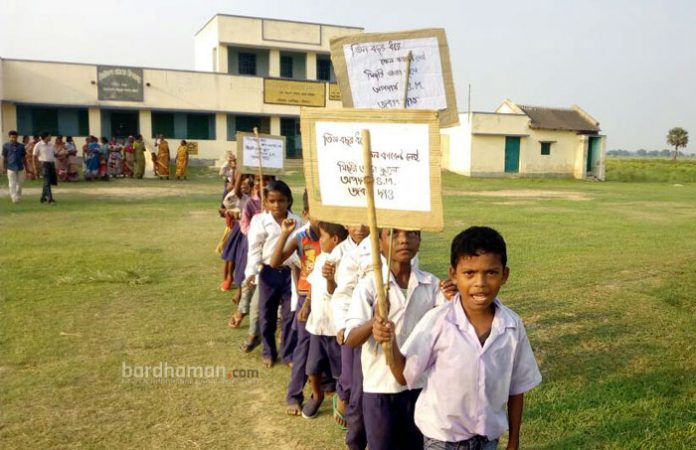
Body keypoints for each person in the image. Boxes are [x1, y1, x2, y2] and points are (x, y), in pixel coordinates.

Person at [373, 227, 542, 450]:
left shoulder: (512, 326)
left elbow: (517, 387)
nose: (480, 283)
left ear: (505, 275)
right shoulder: (437, 322)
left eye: (491, 273)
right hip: (442, 440)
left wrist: (513, 441)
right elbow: (403, 376)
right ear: (454, 275)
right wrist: (390, 342)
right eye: (469, 273)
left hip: (487, 441)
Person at [345, 228, 443, 450]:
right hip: (380, 387)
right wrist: (373, 323)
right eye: (393, 234)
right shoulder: (370, 285)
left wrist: (454, 293)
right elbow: (351, 338)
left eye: (412, 234)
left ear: (420, 240)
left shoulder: (432, 285)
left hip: (421, 385)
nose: (403, 240)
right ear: (379, 243)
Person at [271, 190, 322, 414]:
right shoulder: (301, 237)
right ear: (306, 213)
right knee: (304, 346)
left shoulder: (337, 234)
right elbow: (275, 261)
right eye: (317, 212)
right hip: (305, 299)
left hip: (329, 298)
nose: (322, 217)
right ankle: (294, 394)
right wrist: (284, 233)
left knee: (330, 346)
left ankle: (327, 387)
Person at [243, 180, 301, 368]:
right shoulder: (260, 221)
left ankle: (288, 353)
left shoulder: (297, 221)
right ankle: (268, 351)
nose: (277, 205)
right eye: (272, 201)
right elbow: (254, 248)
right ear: (266, 202)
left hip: (291, 273)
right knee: (266, 314)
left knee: (289, 315)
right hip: (268, 273)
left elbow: (301, 248)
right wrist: (251, 272)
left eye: (281, 201)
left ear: (288, 200)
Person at [300, 221, 349, 419]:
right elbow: (313, 284)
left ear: (335, 239)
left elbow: (335, 291)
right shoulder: (321, 258)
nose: (319, 240)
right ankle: (317, 394)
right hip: (317, 324)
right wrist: (306, 304)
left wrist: (330, 279)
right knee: (312, 366)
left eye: (322, 236)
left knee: (340, 369)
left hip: (335, 326)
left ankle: (342, 401)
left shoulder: (345, 261)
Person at [2, 130, 26, 204]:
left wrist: (27, 167)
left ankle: (18, 196)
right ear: (9, 137)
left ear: (17, 137)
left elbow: (24, 157)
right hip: (10, 167)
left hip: (20, 167)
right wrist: (3, 167)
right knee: (12, 184)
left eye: (15, 137)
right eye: (12, 137)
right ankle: (14, 198)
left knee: (20, 183)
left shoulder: (21, 146)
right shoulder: (5, 146)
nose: (13, 139)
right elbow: (4, 157)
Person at [34, 132, 57, 204]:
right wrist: (35, 168)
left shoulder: (51, 145)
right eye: (49, 136)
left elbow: (55, 154)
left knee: (48, 181)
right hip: (44, 164)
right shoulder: (38, 145)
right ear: (45, 137)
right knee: (47, 181)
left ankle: (43, 198)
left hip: (51, 164)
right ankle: (50, 198)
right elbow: (34, 156)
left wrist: (63, 153)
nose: (51, 137)